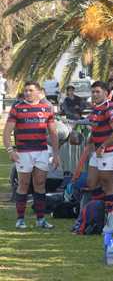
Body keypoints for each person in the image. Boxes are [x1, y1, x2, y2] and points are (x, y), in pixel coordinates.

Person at [3, 81, 59, 229]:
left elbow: (53, 133)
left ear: (39, 92)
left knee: (40, 184)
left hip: (41, 151)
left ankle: (41, 220)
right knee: (24, 184)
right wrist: (10, 150)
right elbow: (7, 132)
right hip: (23, 152)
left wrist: (56, 154)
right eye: (26, 90)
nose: (27, 93)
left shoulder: (46, 108)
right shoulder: (17, 108)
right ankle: (20, 219)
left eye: (31, 90)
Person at [81, 81, 113, 211]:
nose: (94, 94)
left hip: (110, 152)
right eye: (93, 92)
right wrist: (90, 141)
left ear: (106, 93)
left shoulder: (110, 108)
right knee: (91, 182)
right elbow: (96, 128)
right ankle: (99, 214)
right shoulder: (96, 108)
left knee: (107, 184)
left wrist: (103, 146)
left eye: (98, 92)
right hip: (98, 151)